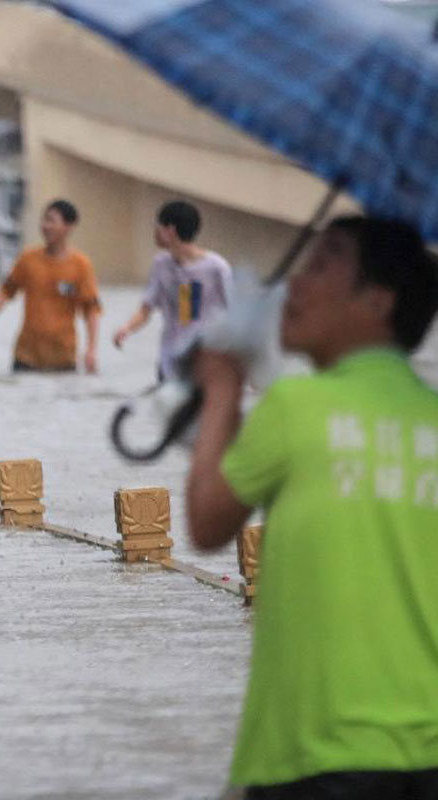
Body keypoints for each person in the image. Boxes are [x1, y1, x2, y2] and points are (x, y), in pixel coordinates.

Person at [186, 216, 438, 797]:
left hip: (315, 754)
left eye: (323, 263)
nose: (296, 283)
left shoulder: (297, 405)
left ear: (377, 301)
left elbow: (207, 521)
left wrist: (222, 388)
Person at [0, 199, 102, 373]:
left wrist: (91, 349)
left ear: (69, 227)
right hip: (26, 357)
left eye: (52, 221)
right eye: (44, 220)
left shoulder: (81, 266)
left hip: (63, 358)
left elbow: (91, 309)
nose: (45, 226)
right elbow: (6, 291)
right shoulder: (28, 259)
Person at [113, 201, 232, 381]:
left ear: (170, 231)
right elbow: (146, 308)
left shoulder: (216, 268)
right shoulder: (161, 265)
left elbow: (237, 316)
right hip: (169, 363)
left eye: (157, 226)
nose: (154, 232)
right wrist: (127, 329)